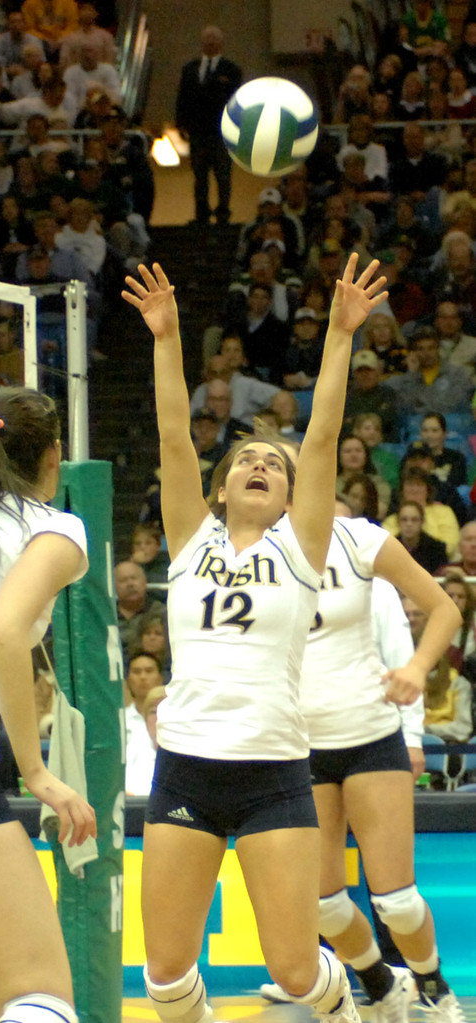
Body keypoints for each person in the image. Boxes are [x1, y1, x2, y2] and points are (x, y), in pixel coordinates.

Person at [121, 253, 389, 1023]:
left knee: (296, 969)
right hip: (187, 769)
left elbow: (324, 432)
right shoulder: (188, 540)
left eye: (275, 462)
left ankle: (355, 1007)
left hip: (272, 770)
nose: (263, 465)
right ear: (222, 486)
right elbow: (174, 436)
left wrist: (340, 334)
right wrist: (166, 339)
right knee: (165, 977)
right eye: (248, 459)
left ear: (291, 492)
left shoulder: (301, 548)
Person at [259, 496, 465, 1021]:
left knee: (396, 901)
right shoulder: (255, 552)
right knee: (323, 906)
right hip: (299, 747)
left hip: (370, 735)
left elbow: (442, 610)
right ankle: (381, 983)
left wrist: (416, 671)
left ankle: (433, 984)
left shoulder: (358, 539)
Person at [0, 386, 97, 1023]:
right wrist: (35, 771)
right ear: (55, 456)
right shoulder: (54, 528)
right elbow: (6, 631)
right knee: (40, 998)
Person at [175, 25, 241, 226]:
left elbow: (237, 100)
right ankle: (201, 213)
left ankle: (223, 213)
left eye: (214, 38)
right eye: (207, 38)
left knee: (223, 175)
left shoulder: (231, 70)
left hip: (222, 132)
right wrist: (181, 123)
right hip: (198, 131)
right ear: (201, 42)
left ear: (221, 43)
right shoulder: (190, 69)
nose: (211, 42)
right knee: (199, 175)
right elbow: (182, 98)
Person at [125, 651, 165, 796]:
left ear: (160, 677)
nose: (143, 677)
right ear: (128, 679)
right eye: (136, 672)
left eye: (149, 671)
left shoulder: (175, 722)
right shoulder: (119, 722)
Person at [396, 499, 448, 573]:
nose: (409, 524)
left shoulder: (436, 550)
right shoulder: (388, 548)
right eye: (404, 520)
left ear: (422, 522)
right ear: (398, 522)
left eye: (414, 520)